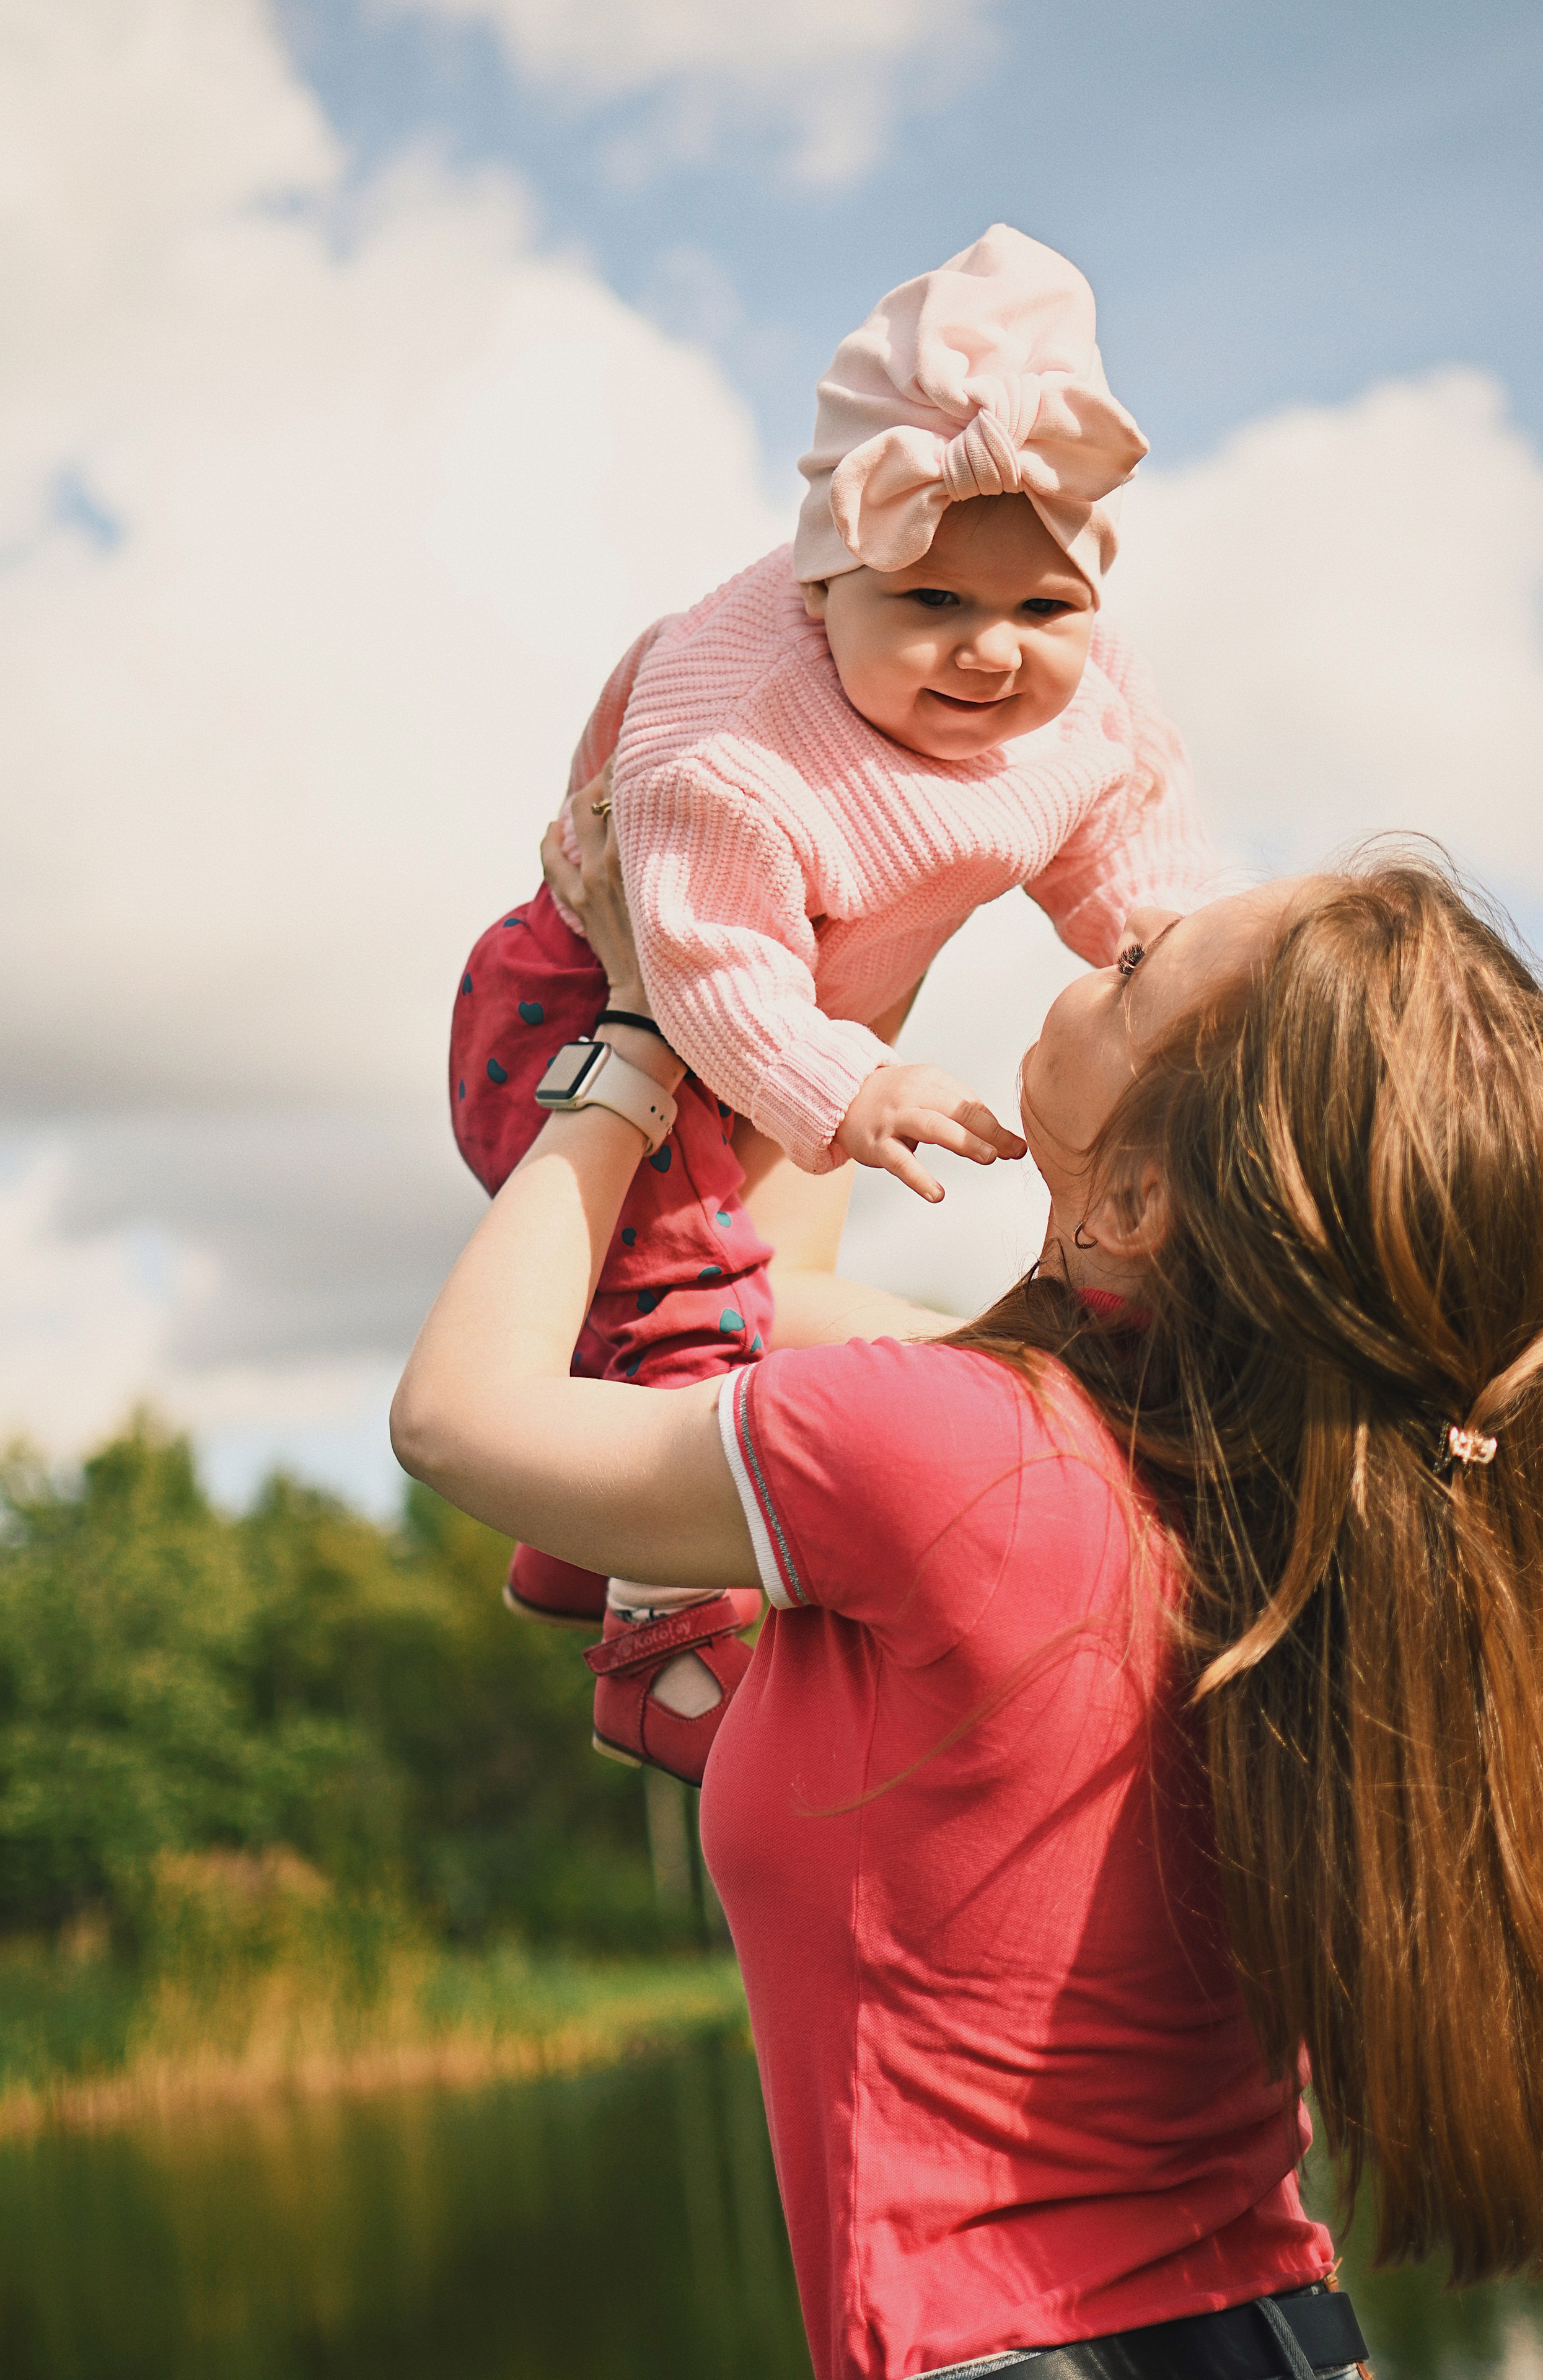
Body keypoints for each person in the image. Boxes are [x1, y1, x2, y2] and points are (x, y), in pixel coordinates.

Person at [394, 791, 1543, 2379]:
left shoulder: (951, 1450)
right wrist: (830, 940)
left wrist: (639, 1039)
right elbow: (768, 1296)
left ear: (1135, 1200)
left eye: (1133, 970)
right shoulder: (1263, 1497)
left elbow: (459, 1417)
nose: (1115, 934)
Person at [448, 224, 1216, 1757]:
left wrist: (1185, 980)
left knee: (741, 1297)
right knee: (683, 1293)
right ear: (822, 586)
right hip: (608, 1002)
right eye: (930, 605)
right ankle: (659, 1655)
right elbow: (707, 969)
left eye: (1042, 611)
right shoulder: (728, 737)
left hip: (808, 999)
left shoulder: (1084, 696)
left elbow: (1127, 841)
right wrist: (846, 1082)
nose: (991, 653)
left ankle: (572, 1542)